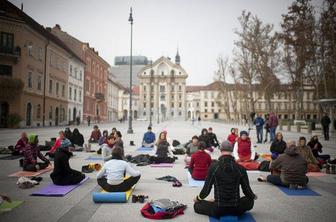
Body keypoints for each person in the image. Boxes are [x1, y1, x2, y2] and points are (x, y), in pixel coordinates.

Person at [193, 140, 257, 218]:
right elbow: (247, 190)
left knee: (197, 205)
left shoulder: (213, 167)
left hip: (218, 209)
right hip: (236, 208)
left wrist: (198, 198)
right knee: (250, 201)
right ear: (232, 150)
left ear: (220, 150)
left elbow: (206, 190)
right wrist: (253, 196)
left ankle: (213, 202)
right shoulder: (240, 168)